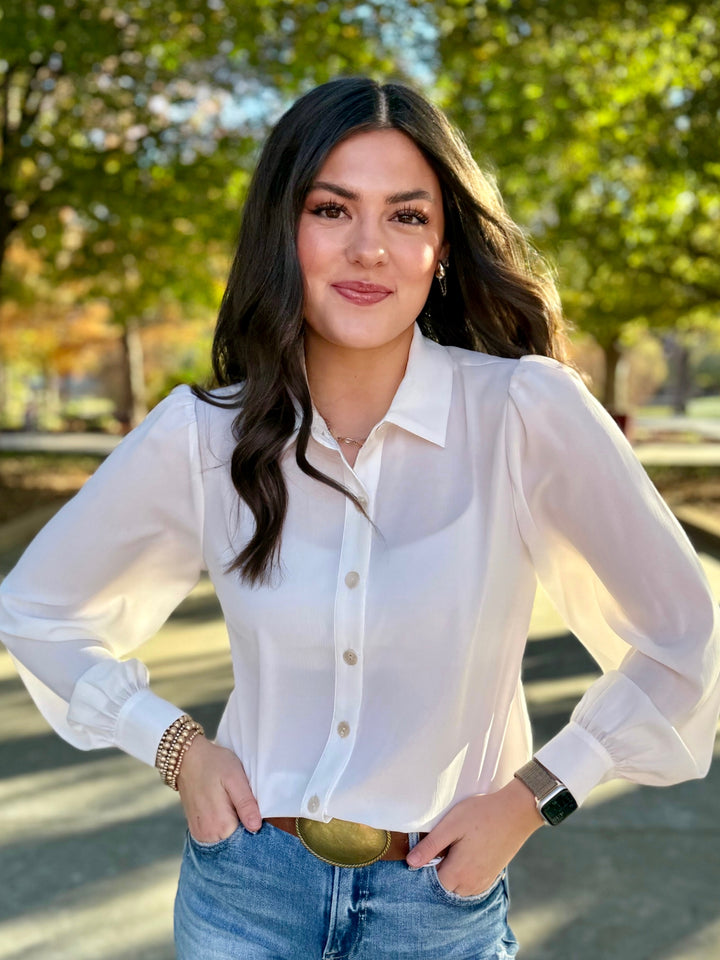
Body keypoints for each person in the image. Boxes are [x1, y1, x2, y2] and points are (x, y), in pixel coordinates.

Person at [1, 76, 719, 960]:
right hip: (242, 896)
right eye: (333, 209)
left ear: (443, 247)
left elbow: (685, 636)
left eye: (407, 216)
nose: (369, 248)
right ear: (284, 232)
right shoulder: (204, 434)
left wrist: (536, 796)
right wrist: (176, 746)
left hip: (437, 904)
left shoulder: (526, 415)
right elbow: (35, 609)